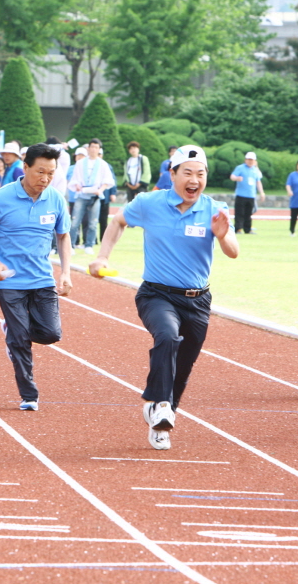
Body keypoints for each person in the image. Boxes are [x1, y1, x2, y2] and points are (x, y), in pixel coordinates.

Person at [90, 145, 239, 450]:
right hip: (156, 294)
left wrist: (222, 235)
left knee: (183, 367)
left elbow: (233, 252)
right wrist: (102, 256)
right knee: (168, 338)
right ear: (172, 175)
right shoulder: (148, 203)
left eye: (200, 173)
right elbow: (118, 221)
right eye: (187, 173)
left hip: (198, 300)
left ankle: (162, 412)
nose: (194, 179)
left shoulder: (215, 208)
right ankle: (160, 406)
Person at [0, 143, 73, 411]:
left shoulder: (55, 199)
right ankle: (29, 394)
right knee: (20, 339)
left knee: (52, 333)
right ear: (25, 167)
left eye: (51, 173)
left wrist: (65, 272)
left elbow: (63, 237)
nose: (45, 178)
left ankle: (12, 329)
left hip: (42, 279)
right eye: (40, 171)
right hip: (10, 281)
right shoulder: (0, 198)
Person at [68, 138, 114, 255]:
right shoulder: (80, 163)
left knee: (93, 222)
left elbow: (108, 180)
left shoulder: (103, 164)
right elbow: (75, 179)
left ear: (99, 150)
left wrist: (100, 190)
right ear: (88, 148)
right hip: (82, 195)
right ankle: (71, 245)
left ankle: (89, 244)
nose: (93, 149)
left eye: (96, 147)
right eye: (91, 147)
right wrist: (77, 185)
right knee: (75, 221)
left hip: (95, 196)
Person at [229, 151, 266, 234]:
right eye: (249, 159)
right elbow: (232, 176)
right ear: (245, 160)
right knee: (239, 213)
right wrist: (237, 178)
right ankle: (238, 229)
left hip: (251, 195)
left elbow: (258, 182)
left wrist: (262, 192)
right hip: (241, 194)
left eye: (252, 160)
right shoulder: (240, 168)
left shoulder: (255, 170)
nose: (250, 161)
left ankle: (248, 229)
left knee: (248, 214)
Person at [98, 159, 118, 244]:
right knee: (91, 220)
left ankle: (103, 239)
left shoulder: (106, 166)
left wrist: (112, 193)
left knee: (103, 220)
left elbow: (112, 180)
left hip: (104, 196)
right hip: (91, 196)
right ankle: (91, 240)